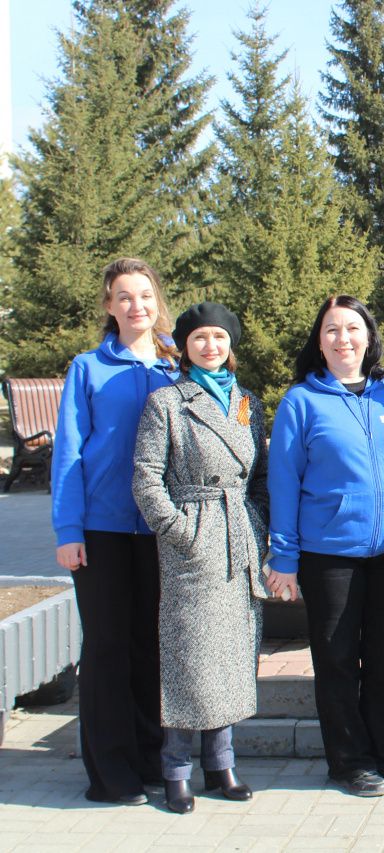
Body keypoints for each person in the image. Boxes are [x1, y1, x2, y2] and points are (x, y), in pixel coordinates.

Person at [266, 295, 384, 797]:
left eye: (352, 328)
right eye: (331, 330)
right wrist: (283, 558)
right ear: (319, 342)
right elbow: (284, 484)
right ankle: (348, 761)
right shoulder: (300, 402)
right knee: (335, 661)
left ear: (370, 337)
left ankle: (381, 748)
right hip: (329, 555)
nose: (343, 338)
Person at [50, 258, 180, 805]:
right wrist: (67, 528)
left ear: (158, 302)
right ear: (109, 305)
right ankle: (110, 774)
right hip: (101, 530)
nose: (136, 306)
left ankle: (153, 760)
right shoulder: (88, 367)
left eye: (145, 295)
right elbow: (69, 452)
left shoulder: (177, 363)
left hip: (161, 531)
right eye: (124, 297)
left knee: (152, 646)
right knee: (106, 649)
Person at [132, 302, 268, 814]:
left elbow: (259, 474)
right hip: (195, 537)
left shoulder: (245, 402)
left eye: (219, 337)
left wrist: (261, 523)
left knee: (231, 657)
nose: (211, 346)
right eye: (200, 338)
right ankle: (176, 770)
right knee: (190, 657)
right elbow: (146, 476)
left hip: (240, 536)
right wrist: (180, 531)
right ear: (184, 345)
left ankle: (222, 763)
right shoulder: (167, 402)